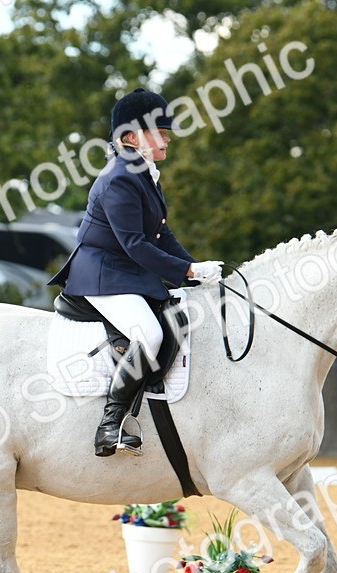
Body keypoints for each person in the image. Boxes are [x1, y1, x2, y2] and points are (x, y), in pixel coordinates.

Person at [49, 88, 222, 457]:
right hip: (103, 274)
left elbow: (161, 235)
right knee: (150, 335)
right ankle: (110, 424)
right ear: (130, 137)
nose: (167, 137)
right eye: (159, 131)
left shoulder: (142, 173)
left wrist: (195, 273)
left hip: (127, 272)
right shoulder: (120, 178)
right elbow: (135, 245)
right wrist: (187, 269)